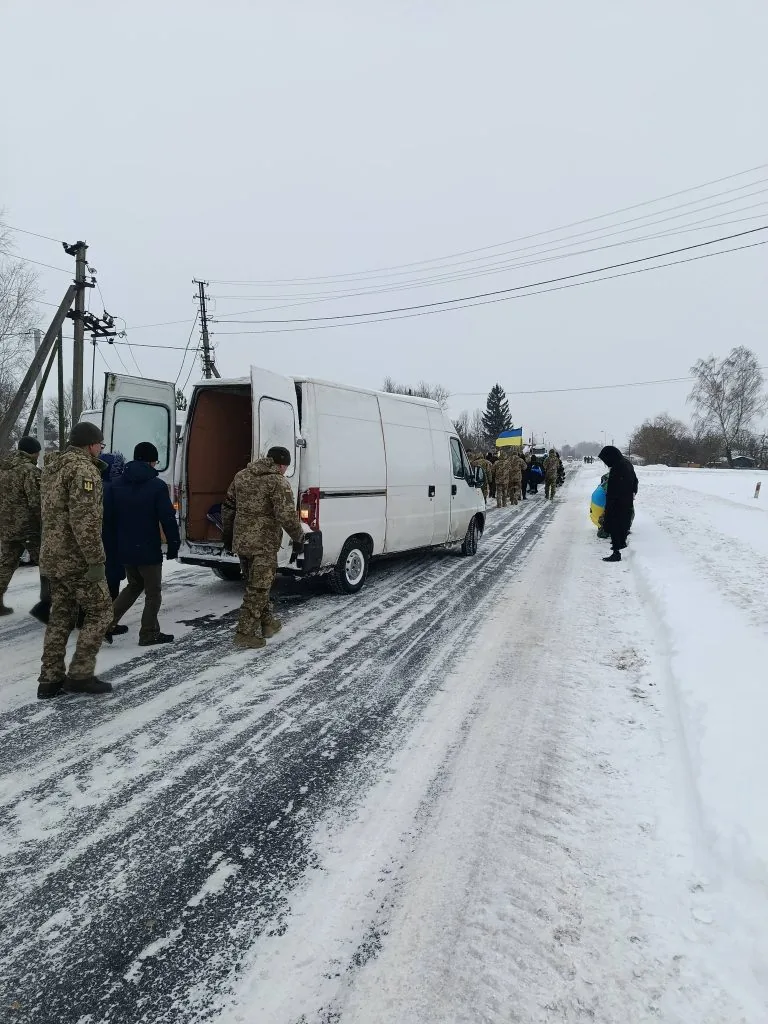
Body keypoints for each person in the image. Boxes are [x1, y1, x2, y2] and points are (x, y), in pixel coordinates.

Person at [37, 422, 113, 698]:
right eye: (100, 446)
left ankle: (49, 679)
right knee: (102, 611)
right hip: (77, 559)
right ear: (91, 444)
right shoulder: (83, 470)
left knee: (60, 616)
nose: (101, 451)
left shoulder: (52, 468)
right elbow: (85, 521)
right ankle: (80, 674)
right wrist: (96, 561)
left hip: (53, 557)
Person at [222, 446, 304, 649]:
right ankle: (245, 633)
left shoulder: (241, 476)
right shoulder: (277, 482)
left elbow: (228, 506)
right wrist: (299, 537)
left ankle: (268, 623)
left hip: (243, 543)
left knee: (256, 584)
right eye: (286, 466)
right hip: (263, 545)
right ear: (282, 464)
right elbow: (286, 515)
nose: (285, 470)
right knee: (258, 589)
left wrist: (228, 534)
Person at [106, 442, 180, 645]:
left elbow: (109, 518)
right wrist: (173, 544)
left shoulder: (116, 484)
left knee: (134, 585)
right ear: (151, 461)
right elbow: (167, 518)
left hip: (125, 548)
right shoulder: (156, 486)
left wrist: (113, 546)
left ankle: (105, 624)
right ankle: (148, 633)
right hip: (148, 548)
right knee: (153, 592)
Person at [0, 436, 42, 615]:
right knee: (48, 564)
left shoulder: (3, 468)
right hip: (28, 528)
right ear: (33, 452)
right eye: (38, 453)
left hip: (6, 525)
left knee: (6, 564)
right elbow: (36, 502)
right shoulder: (29, 470)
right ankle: (56, 607)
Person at [598, 445, 638, 562]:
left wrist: (610, 504)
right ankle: (621, 544)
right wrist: (633, 492)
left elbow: (615, 487)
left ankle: (616, 553)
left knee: (615, 525)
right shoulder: (626, 463)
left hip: (617, 502)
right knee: (622, 524)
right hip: (626, 501)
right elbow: (635, 480)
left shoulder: (618, 467)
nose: (606, 463)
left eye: (605, 459)